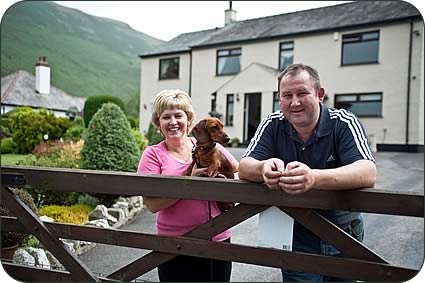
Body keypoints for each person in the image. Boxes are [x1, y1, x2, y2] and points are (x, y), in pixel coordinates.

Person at [238, 63, 376, 282]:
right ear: (279, 98)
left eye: (302, 93)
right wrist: (262, 168)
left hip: (343, 233)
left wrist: (313, 178)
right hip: (294, 235)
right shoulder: (272, 123)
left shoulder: (344, 122)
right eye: (287, 95)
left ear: (319, 94)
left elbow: (367, 172)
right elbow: (245, 166)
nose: (295, 103)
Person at [137, 89, 238, 282]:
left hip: (218, 237)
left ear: (189, 119)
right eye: (166, 117)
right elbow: (152, 205)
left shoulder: (211, 147)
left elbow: (238, 170)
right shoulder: (153, 154)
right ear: (158, 123)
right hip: (175, 243)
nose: (173, 122)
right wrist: (188, 182)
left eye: (178, 115)